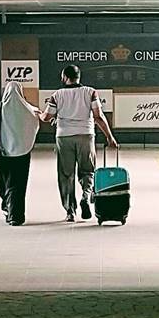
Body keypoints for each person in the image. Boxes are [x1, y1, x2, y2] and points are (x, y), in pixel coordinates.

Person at [41, 64, 119, 222]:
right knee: (88, 171)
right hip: (86, 135)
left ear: (64, 77)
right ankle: (85, 196)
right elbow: (98, 117)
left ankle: (70, 211)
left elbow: (46, 118)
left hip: (64, 137)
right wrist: (110, 137)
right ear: (79, 77)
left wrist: (39, 114)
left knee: (66, 175)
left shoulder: (57, 95)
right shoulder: (90, 92)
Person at [0, 80, 40, 226]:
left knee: (4, 183)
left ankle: (9, 209)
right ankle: (17, 215)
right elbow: (35, 125)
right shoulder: (27, 109)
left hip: (4, 153)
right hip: (22, 153)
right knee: (19, 185)